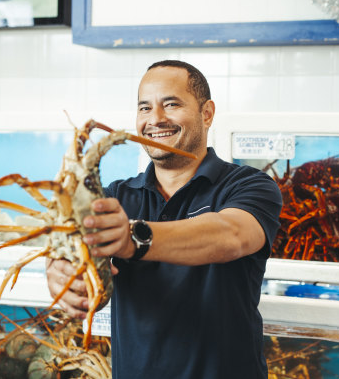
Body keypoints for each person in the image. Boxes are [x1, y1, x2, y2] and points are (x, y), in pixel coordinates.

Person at [46, 60, 282, 378]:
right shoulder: (115, 196)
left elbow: (232, 235)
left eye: (170, 104)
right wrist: (62, 274)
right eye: (144, 108)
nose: (155, 119)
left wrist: (134, 238)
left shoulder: (247, 184)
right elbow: (76, 261)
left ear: (207, 113)